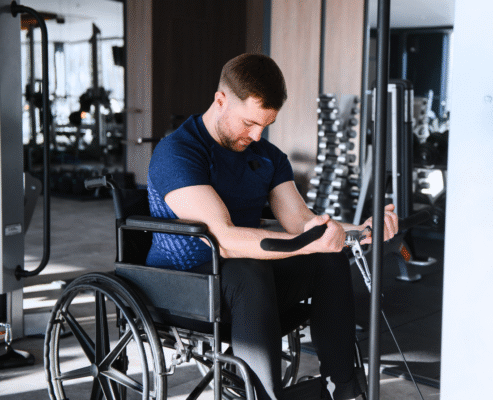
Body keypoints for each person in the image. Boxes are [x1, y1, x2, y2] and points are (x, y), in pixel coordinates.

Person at [146, 53, 398, 400]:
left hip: (245, 280)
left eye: (266, 125)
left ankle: (343, 388)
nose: (257, 135)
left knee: (328, 259)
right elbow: (224, 240)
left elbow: (301, 221)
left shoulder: (267, 156)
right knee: (249, 272)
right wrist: (307, 242)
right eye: (249, 123)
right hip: (181, 283)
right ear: (221, 100)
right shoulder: (178, 152)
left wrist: (362, 230)